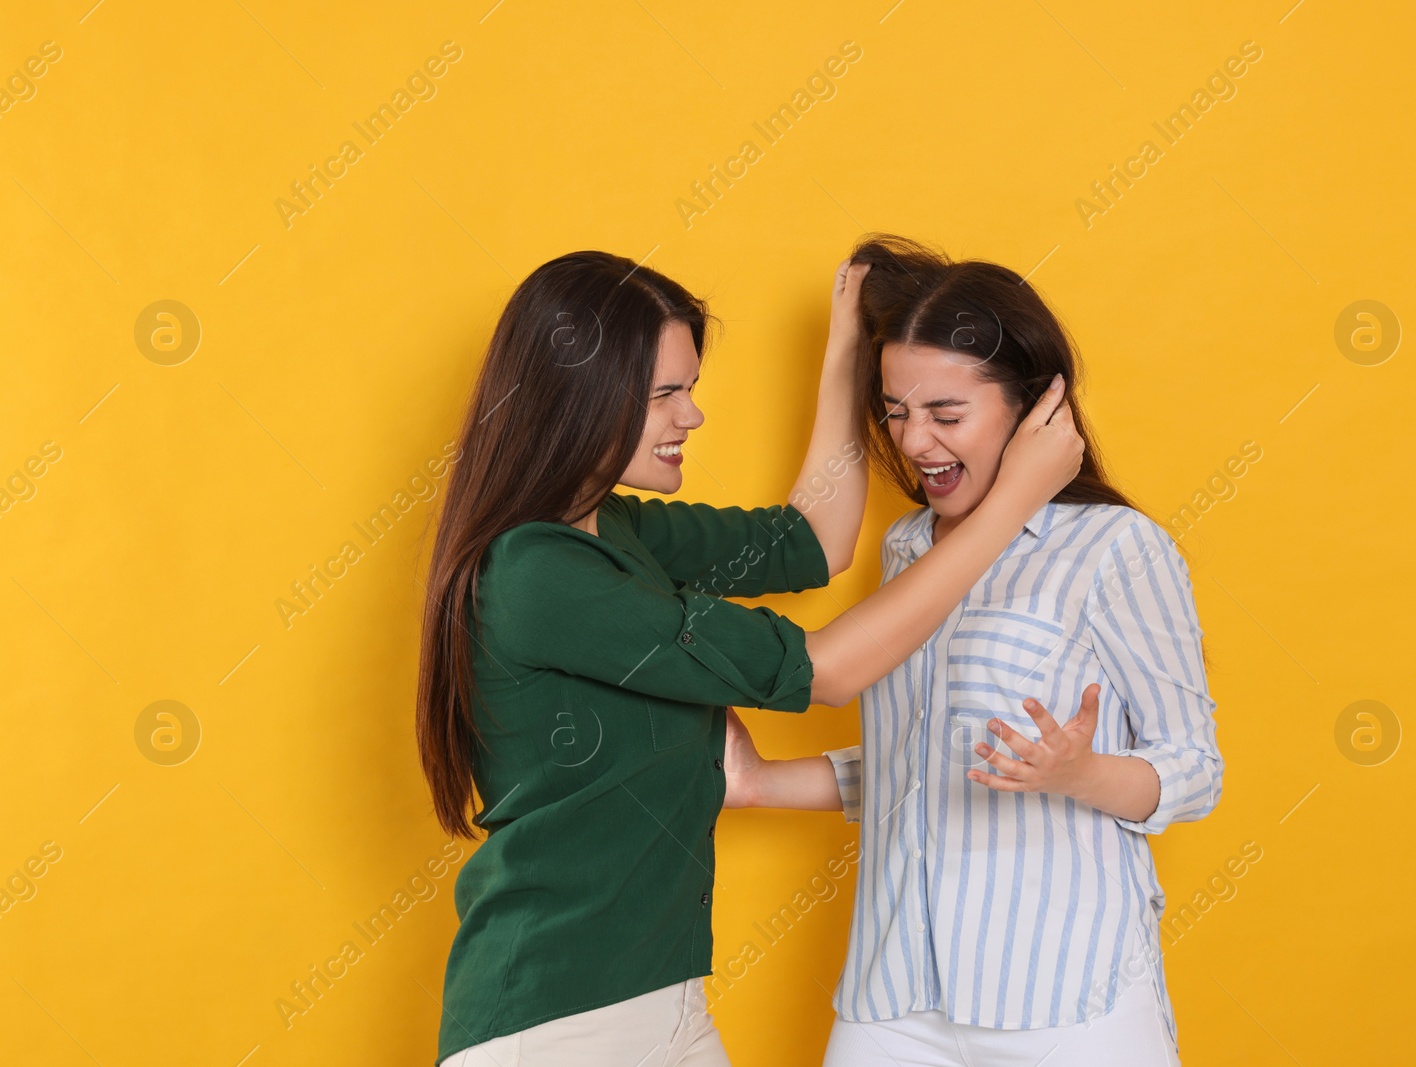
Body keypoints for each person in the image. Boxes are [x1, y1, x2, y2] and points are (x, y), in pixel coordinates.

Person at [416, 248, 1086, 1066]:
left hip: (661, 1005)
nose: (690, 416)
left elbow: (814, 539)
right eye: (666, 394)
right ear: (578, 396)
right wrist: (1016, 498)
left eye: (687, 390)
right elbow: (827, 669)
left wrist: (847, 352)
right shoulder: (539, 574)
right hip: (554, 1022)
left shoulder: (612, 530)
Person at [723, 234, 1223, 1067]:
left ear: (1032, 407)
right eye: (896, 410)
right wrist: (760, 783)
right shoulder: (908, 546)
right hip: (895, 989)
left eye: (946, 414)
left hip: (1068, 996)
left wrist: (1078, 772)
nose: (916, 443)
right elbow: (918, 757)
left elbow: (1194, 768)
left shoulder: (1113, 547)